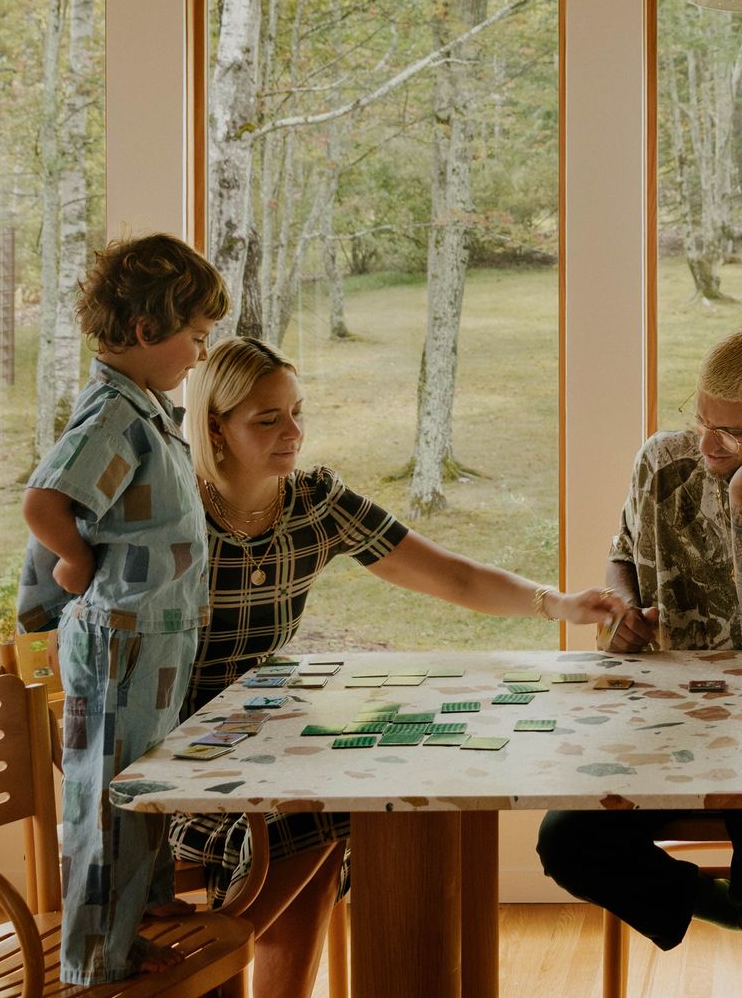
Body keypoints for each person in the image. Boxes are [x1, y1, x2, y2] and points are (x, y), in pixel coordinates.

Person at [170, 337, 628, 998]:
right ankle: (199, 969)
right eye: (267, 420)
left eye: (297, 412)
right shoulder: (174, 509)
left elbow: (450, 575)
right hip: (175, 746)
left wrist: (556, 603)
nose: (293, 432)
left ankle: (220, 962)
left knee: (327, 808)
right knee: (314, 815)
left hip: (265, 732)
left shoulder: (314, 501)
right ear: (216, 427)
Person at [537, 327, 742, 998]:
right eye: (702, 420)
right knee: (567, 841)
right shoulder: (662, 459)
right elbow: (624, 553)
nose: (709, 445)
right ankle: (740, 911)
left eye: (734, 433)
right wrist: (623, 611)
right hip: (672, 725)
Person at [15, 234, 226, 989]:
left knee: (143, 791)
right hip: (121, 642)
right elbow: (45, 503)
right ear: (146, 330)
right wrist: (74, 561)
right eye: (195, 337)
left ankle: (137, 921)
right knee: (109, 804)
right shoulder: (115, 414)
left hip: (154, 639)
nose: (201, 353)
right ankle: (97, 962)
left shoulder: (146, 408)